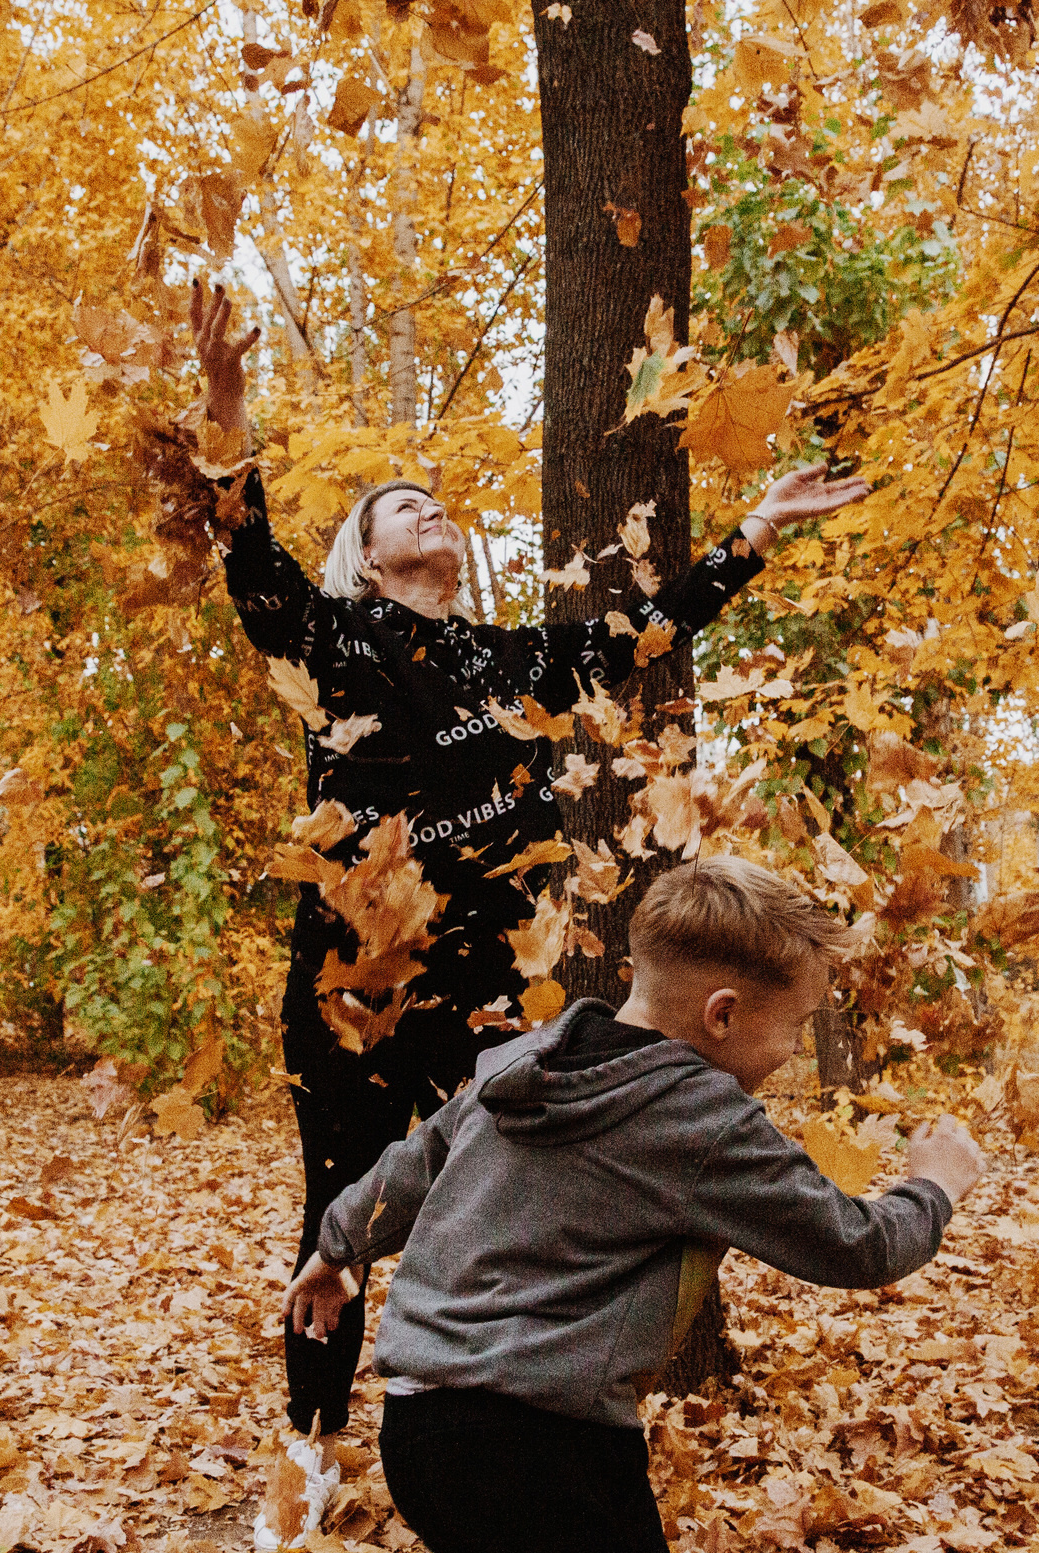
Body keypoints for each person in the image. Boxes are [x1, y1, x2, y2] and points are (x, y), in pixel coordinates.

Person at [180, 285, 874, 1438]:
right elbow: (247, 551)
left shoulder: (515, 664)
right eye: (404, 506)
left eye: (440, 504)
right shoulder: (333, 637)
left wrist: (751, 533)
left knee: (507, 1194)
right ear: (366, 552)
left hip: (490, 986)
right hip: (355, 982)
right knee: (340, 1210)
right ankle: (310, 1453)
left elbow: (652, 628)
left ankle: (490, 1426)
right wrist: (225, 398)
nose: (430, 513)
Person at [282, 857, 987, 1553]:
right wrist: (935, 1184)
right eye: (796, 1027)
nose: (796, 1051)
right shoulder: (697, 1115)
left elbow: (419, 1154)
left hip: (424, 1431)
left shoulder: (528, 1057)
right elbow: (856, 1243)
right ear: (722, 1013)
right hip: (542, 1450)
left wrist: (338, 1244)